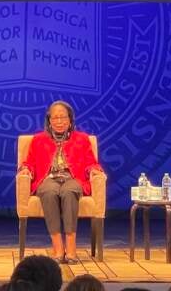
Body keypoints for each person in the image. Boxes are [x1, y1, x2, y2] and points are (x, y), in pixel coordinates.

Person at [18, 101, 104, 264]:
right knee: (49, 193)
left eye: (63, 117)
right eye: (55, 118)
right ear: (49, 120)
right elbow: (29, 162)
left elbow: (91, 162)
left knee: (68, 192)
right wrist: (25, 169)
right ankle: (57, 247)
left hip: (73, 178)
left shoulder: (82, 139)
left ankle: (71, 247)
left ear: (70, 120)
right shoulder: (38, 140)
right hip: (48, 178)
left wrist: (94, 170)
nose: (59, 121)